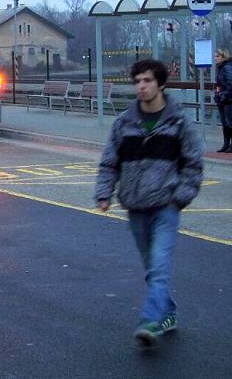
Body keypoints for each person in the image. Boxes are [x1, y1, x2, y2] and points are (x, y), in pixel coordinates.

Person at [94, 59, 203, 347]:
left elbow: (193, 164)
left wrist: (179, 198)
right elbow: (109, 162)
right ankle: (168, 313)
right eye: (138, 81)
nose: (141, 87)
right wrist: (104, 193)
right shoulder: (124, 123)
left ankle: (150, 321)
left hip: (165, 206)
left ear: (161, 84)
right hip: (135, 206)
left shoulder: (178, 122)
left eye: (147, 81)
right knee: (150, 266)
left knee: (159, 265)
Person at [213, 49, 232, 152]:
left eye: (217, 56)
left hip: (228, 100)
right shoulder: (220, 68)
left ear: (223, 57)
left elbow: (230, 84)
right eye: (215, 56)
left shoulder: (227, 67)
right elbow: (219, 84)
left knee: (230, 122)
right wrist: (217, 95)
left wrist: (224, 95)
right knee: (225, 123)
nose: (215, 58)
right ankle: (226, 144)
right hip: (222, 99)